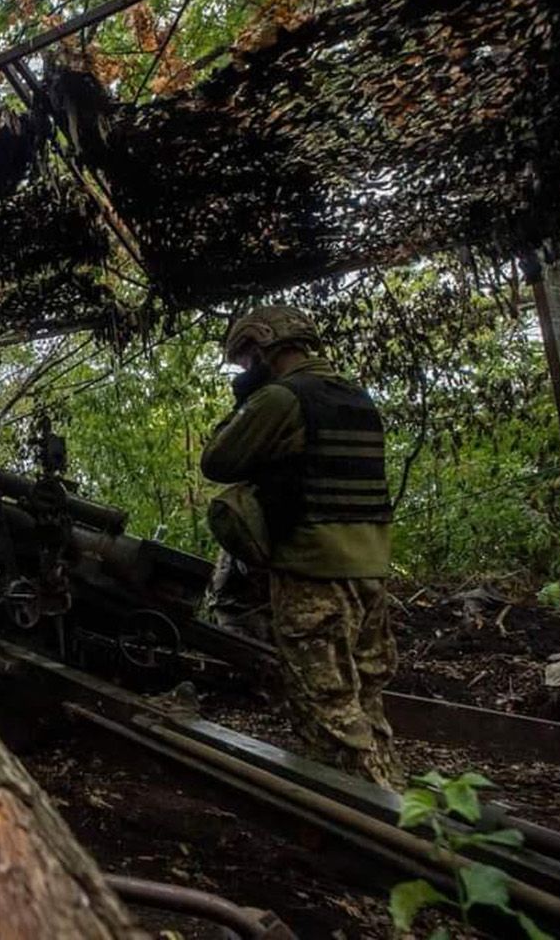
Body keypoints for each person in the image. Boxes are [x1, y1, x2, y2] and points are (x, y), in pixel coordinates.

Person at [201, 305, 402, 789]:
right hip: (371, 570)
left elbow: (218, 460)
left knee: (329, 714)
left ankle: (365, 831)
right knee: (368, 706)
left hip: (314, 571)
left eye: (247, 359)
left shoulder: (281, 398)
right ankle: (399, 804)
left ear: (263, 349)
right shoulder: (356, 396)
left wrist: (246, 400)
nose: (245, 368)